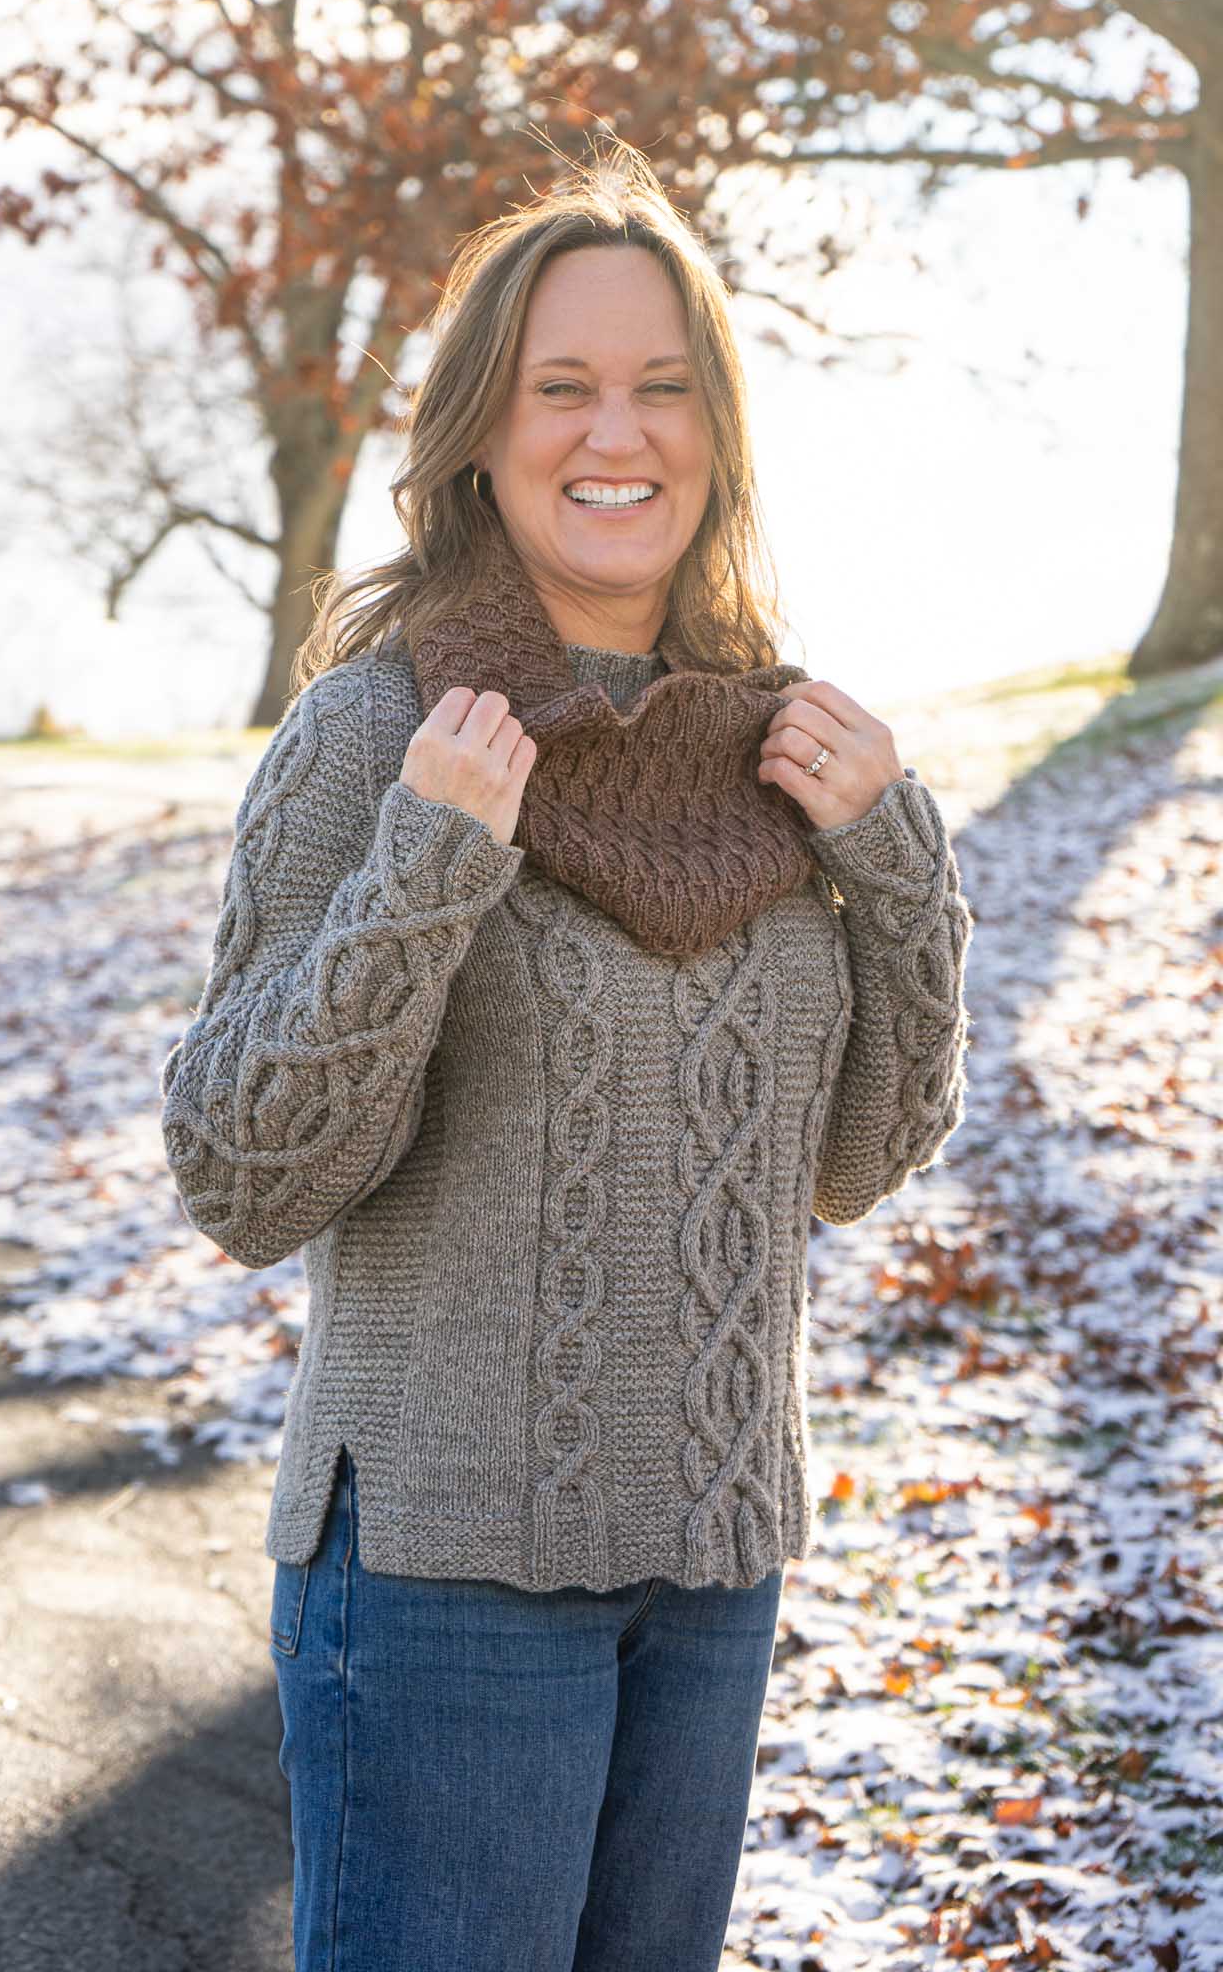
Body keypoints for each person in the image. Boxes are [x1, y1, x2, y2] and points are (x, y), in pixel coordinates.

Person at [159, 138, 975, 1972]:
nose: (621, 431)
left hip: (711, 1562)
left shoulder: (781, 747)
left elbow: (857, 1154)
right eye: (567, 387)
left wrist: (898, 870)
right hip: (444, 1581)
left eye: (664, 387)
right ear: (480, 434)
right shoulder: (379, 735)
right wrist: (428, 865)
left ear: (719, 437)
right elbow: (240, 1171)